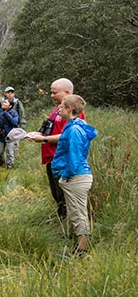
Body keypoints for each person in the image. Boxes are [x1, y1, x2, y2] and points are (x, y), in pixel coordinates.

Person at [26, 78, 85, 220]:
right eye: (51, 93)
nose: (52, 96)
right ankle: (62, 221)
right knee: (57, 195)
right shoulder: (57, 110)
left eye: (54, 93)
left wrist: (44, 139)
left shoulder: (74, 112)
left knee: (65, 196)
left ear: (67, 92)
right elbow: (54, 130)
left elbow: (68, 136)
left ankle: (69, 227)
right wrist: (39, 134)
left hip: (64, 160)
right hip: (52, 159)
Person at [51, 95, 97, 254]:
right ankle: (77, 245)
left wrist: (66, 174)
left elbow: (75, 157)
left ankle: (81, 251)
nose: (59, 109)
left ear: (69, 109)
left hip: (76, 177)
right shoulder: (73, 126)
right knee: (75, 213)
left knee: (79, 215)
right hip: (75, 176)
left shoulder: (75, 130)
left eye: (62, 107)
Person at [0, 98, 20, 168]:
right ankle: (1, 163)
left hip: (10, 135)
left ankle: (9, 166)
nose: (3, 103)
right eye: (3, 102)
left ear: (10, 106)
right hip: (0, 135)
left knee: (10, 152)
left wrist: (6, 114)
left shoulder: (14, 113)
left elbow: (15, 123)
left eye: (5, 103)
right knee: (0, 151)